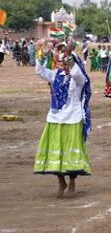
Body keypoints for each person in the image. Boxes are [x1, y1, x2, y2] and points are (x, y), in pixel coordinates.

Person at [34, 50, 93, 197]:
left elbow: (76, 73)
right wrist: (43, 55)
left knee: (71, 154)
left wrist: (70, 54)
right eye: (64, 64)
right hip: (55, 119)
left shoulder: (79, 79)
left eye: (68, 64)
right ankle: (61, 182)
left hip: (73, 119)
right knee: (55, 152)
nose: (65, 67)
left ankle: (72, 182)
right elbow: (39, 70)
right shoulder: (56, 75)